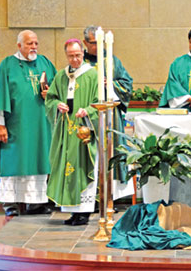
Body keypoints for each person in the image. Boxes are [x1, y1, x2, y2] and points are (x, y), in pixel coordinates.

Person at [0, 30, 56, 216]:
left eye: (36, 43)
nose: (34, 47)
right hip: (16, 126)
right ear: (19, 45)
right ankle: (10, 204)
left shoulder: (45, 63)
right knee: (14, 162)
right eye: (29, 43)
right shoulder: (8, 65)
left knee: (38, 162)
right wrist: (0, 125)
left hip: (40, 125)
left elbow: (58, 89)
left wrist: (52, 95)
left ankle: (35, 203)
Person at [45, 39, 98, 226]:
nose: (75, 59)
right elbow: (50, 99)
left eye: (78, 55)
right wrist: (57, 105)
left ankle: (84, 212)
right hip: (66, 129)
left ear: (83, 54)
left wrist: (87, 111)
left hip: (83, 129)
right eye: (71, 56)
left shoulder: (92, 75)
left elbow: (100, 102)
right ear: (66, 55)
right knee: (66, 168)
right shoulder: (61, 76)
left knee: (82, 167)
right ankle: (72, 211)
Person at [82, 25, 134, 201]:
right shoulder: (79, 62)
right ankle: (89, 198)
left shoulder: (112, 61)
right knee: (89, 155)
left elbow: (127, 85)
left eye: (101, 43)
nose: (99, 47)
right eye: (94, 43)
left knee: (112, 151)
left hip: (110, 115)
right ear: (85, 43)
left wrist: (110, 84)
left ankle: (110, 197)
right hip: (87, 118)